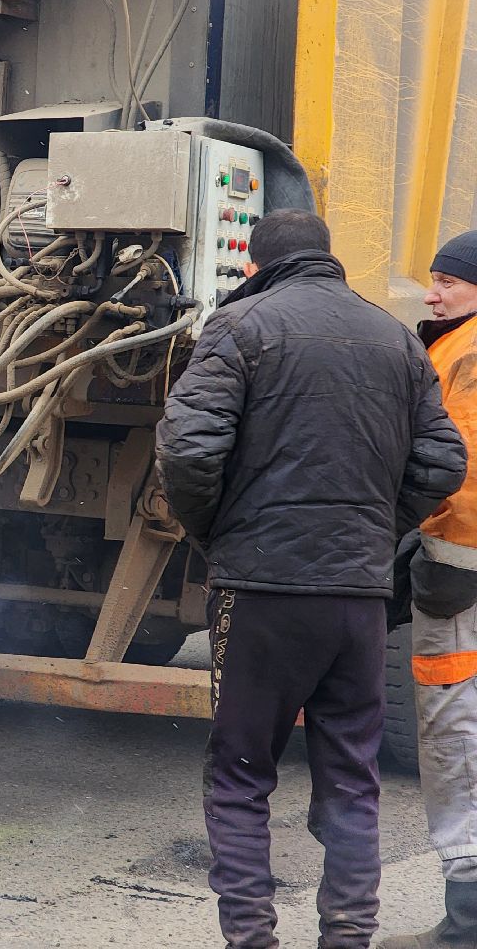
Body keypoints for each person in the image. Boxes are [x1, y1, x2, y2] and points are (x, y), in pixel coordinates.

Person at [155, 209, 465, 949]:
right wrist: (374, 533)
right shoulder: (394, 338)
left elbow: (189, 454)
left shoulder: (240, 329)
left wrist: (216, 535)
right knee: (351, 774)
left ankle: (252, 938)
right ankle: (349, 934)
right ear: (328, 260)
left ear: (256, 267)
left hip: (261, 592)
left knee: (239, 773)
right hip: (356, 596)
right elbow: (442, 465)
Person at [380, 231, 477, 949]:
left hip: (460, 570)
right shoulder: (452, 345)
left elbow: (463, 471)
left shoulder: (466, 355)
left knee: (453, 731)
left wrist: (421, 537)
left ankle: (468, 918)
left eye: (448, 281)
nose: (432, 292)